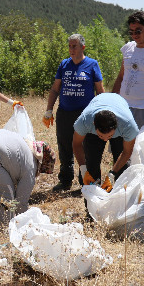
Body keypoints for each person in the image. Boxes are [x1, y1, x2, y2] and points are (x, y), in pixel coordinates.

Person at [42, 34, 105, 191]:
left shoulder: (92, 64)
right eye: (69, 46)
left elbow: (100, 90)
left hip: (85, 115)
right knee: (65, 147)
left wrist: (101, 112)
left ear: (83, 47)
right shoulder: (64, 64)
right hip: (65, 113)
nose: (71, 49)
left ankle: (85, 181)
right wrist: (49, 110)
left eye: (74, 46)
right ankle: (65, 180)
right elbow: (56, 88)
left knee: (86, 148)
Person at [72, 93, 139, 191]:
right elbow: (76, 144)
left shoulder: (128, 126)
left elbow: (126, 152)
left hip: (119, 107)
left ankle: (121, 201)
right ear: (94, 124)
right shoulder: (85, 121)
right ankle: (91, 204)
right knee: (91, 164)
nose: (105, 140)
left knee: (122, 170)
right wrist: (83, 171)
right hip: (97, 107)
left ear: (116, 126)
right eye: (100, 136)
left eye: (110, 136)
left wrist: (112, 174)